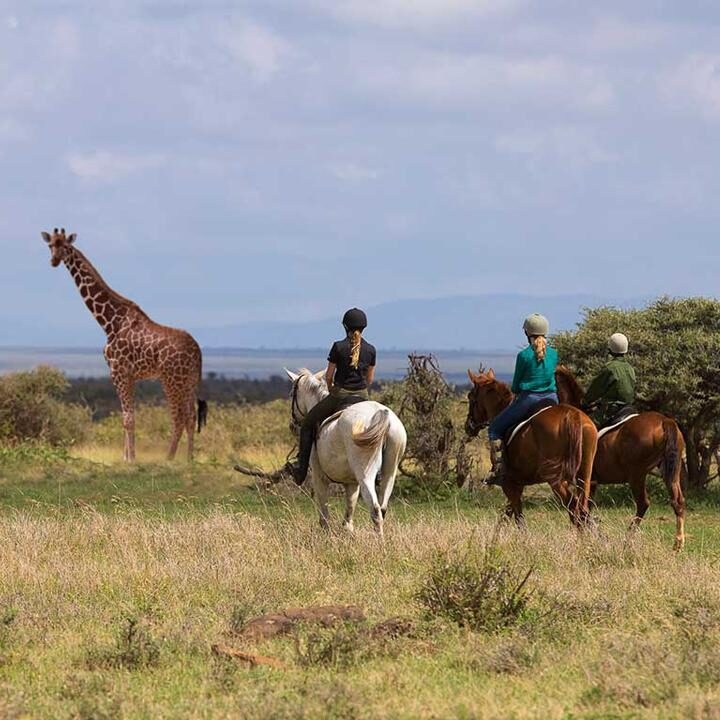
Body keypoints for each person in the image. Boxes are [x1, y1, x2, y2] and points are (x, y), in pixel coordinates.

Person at [285, 307, 376, 485]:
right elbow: (369, 379)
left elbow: (328, 376)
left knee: (307, 423)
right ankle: (377, 472)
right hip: (363, 397)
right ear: (364, 327)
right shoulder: (371, 349)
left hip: (339, 396)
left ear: (345, 326)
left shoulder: (338, 347)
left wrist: (332, 389)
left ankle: (300, 470)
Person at [484, 313, 559, 485]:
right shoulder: (554, 354)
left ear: (527, 333)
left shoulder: (524, 355)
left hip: (530, 399)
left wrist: (516, 391)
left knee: (495, 428)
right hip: (552, 399)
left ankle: (499, 470)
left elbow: (517, 384)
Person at [581, 332, 636, 428]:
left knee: (585, 428)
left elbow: (596, 389)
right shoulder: (630, 368)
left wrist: (585, 401)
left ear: (610, 349)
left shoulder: (610, 368)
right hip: (629, 408)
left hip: (611, 411)